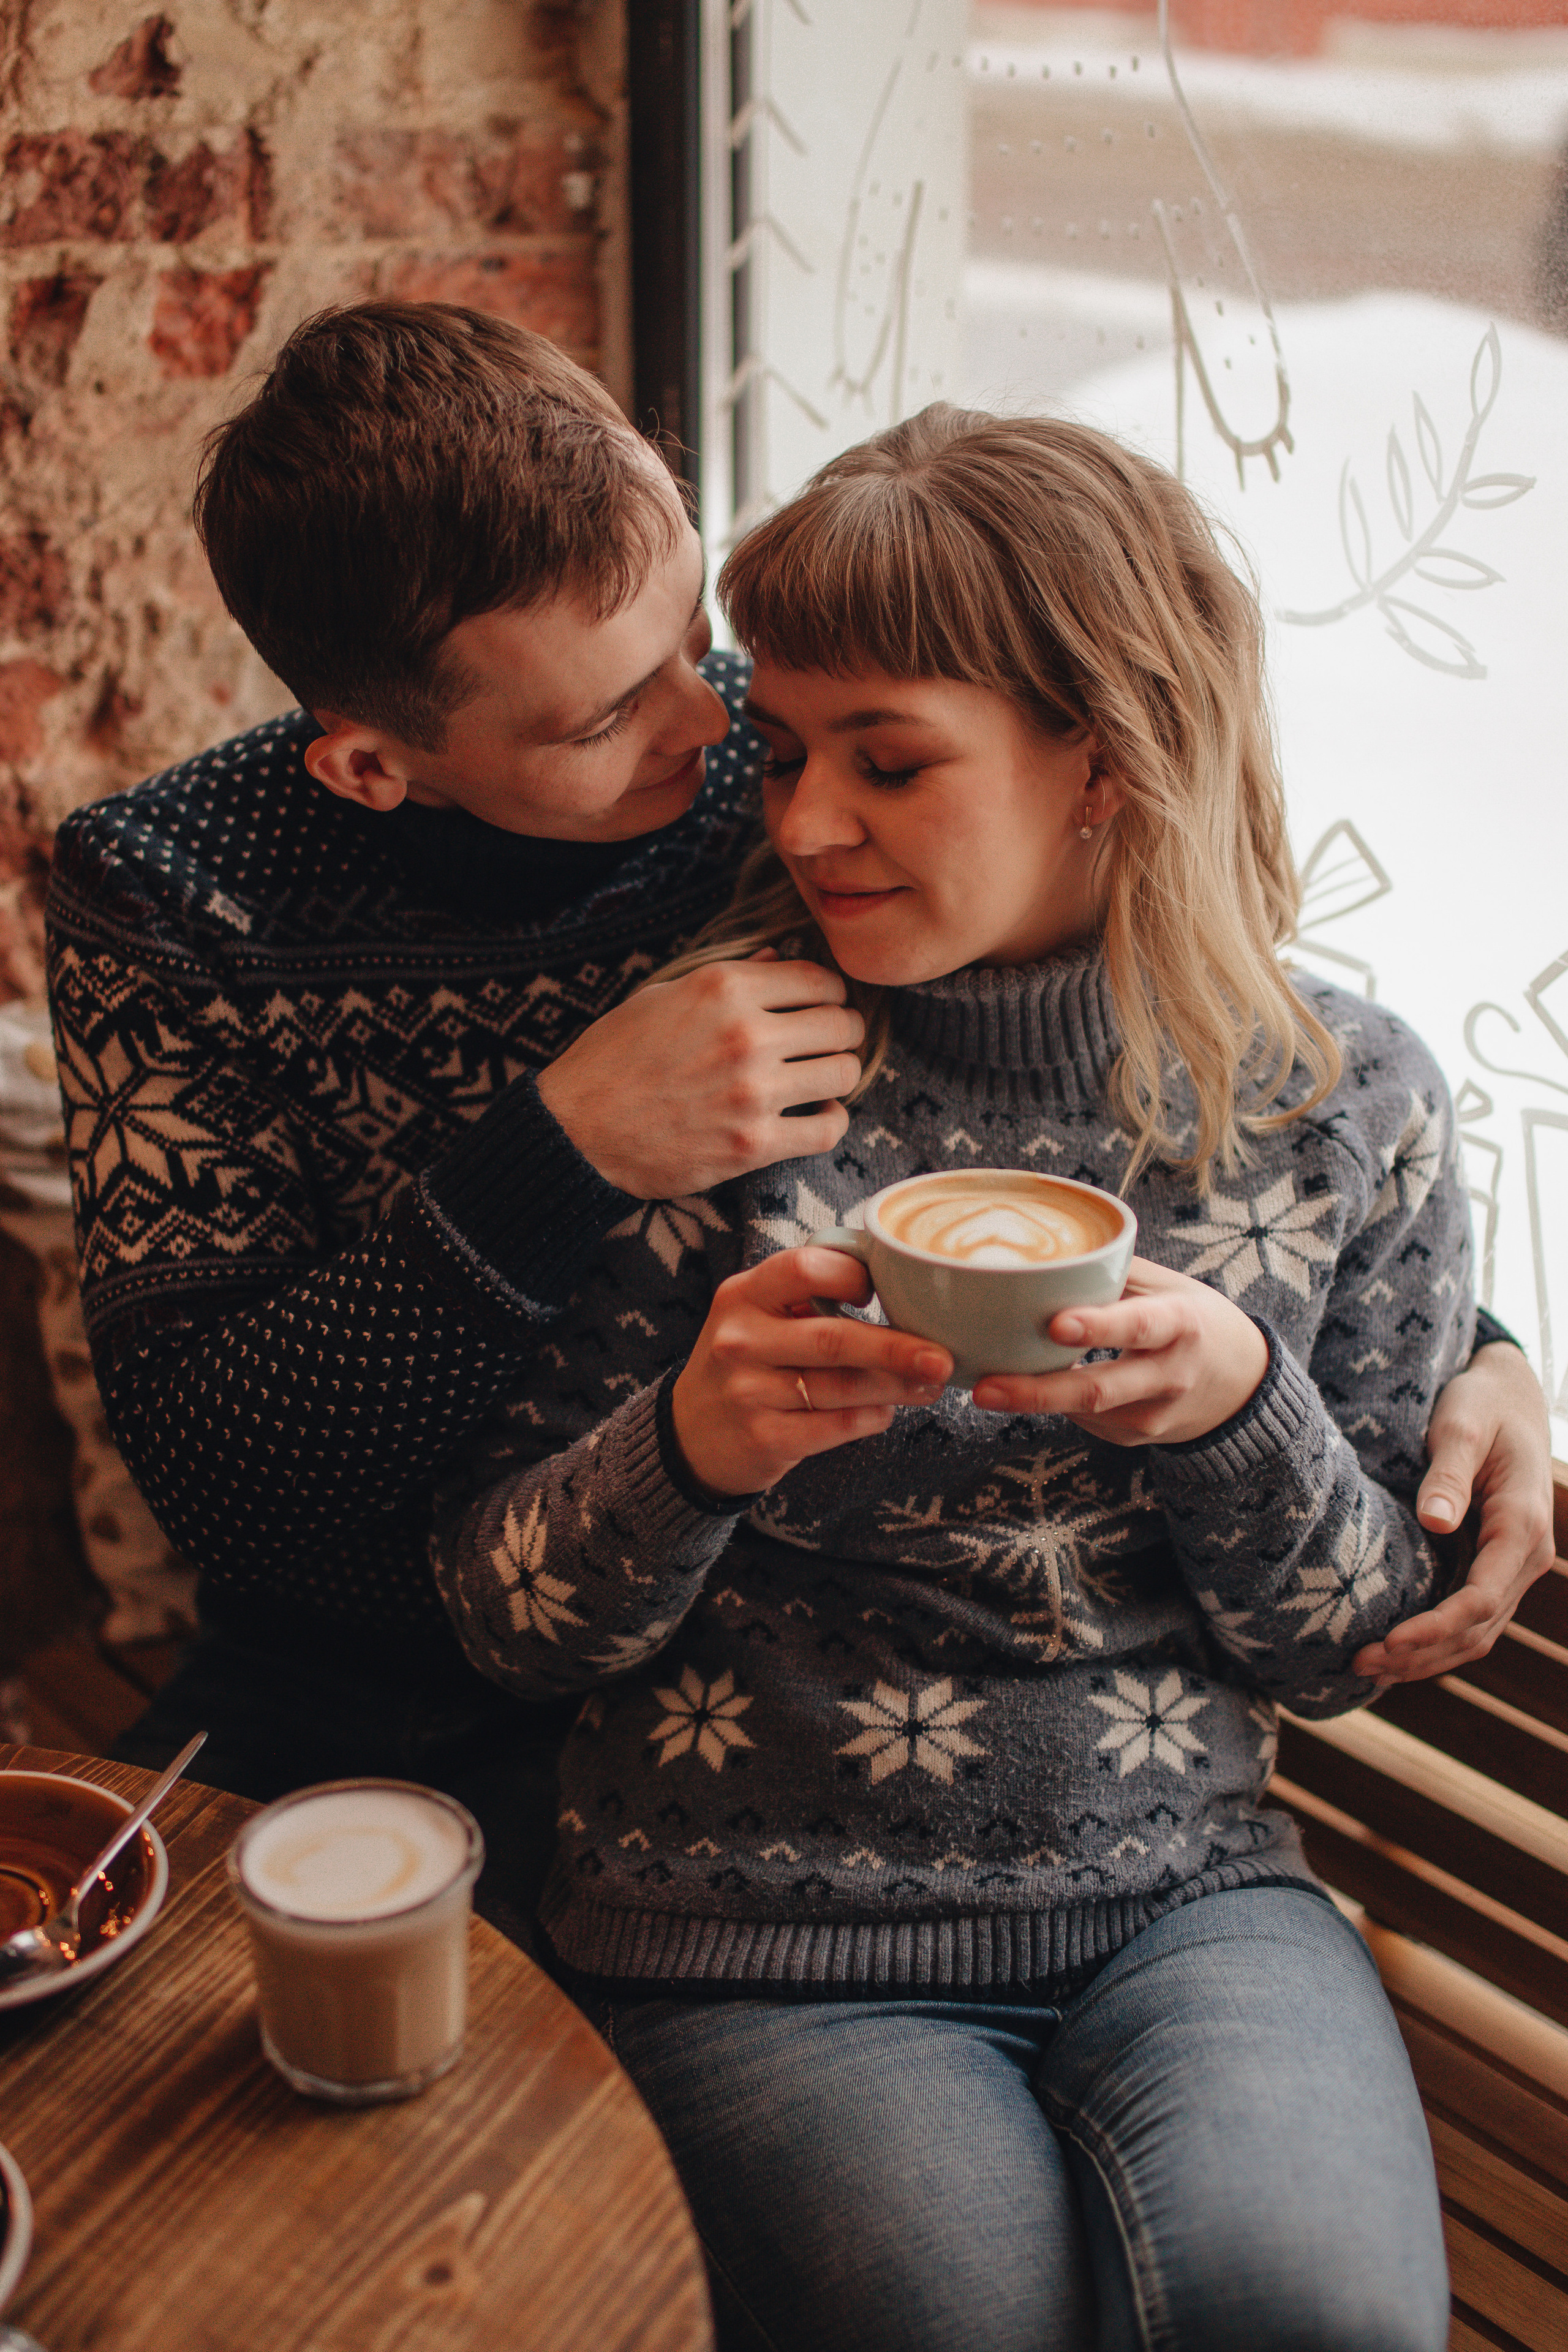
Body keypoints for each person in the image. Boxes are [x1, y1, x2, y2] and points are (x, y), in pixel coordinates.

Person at [44, 304, 1550, 1947]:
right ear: (372, 766)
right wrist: (557, 1154)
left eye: (696, 638)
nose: (713, 732)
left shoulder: (784, 771)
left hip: (759, 1704)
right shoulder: (176, 896)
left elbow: (1133, 1057)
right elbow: (226, 1478)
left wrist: (1472, 1344)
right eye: (611, 713)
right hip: (377, 1685)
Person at [431, 407, 1496, 2348]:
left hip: (1190, 1903)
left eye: (889, 760)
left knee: (1314, 2316)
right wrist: (690, 1449)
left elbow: (1346, 1651)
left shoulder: (1342, 1109)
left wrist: (1245, 1409)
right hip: (753, 1924)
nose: (803, 820)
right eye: (786, 752)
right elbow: (504, 1620)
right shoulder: (727, 1073)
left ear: (1106, 757)